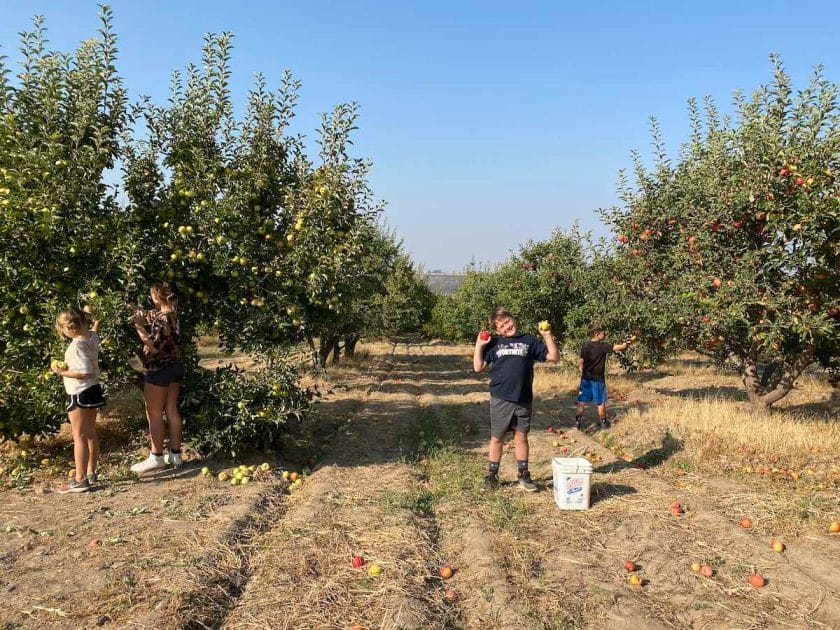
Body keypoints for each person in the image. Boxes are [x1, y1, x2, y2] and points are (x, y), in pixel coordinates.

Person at [474, 308, 558, 492]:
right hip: (501, 398)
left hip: (523, 398)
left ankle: (523, 474)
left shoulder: (528, 341)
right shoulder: (494, 343)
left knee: (521, 436)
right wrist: (479, 345)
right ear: (497, 330)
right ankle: (492, 475)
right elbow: (478, 367)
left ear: (513, 319)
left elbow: (553, 357)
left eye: (508, 321)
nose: (507, 326)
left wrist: (547, 335)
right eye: (502, 325)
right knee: (497, 438)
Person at [130, 281, 185, 474]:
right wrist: (137, 310)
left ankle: (156, 457)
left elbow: (153, 346)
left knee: (153, 413)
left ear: (159, 296)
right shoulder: (171, 314)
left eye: (153, 294)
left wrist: (138, 327)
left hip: (160, 368)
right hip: (175, 366)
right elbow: (151, 315)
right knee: (171, 410)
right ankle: (176, 455)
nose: (151, 297)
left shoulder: (164, 318)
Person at [52, 308, 103, 493]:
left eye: (63, 330)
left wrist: (61, 372)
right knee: (90, 432)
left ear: (70, 328)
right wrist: (95, 319)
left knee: (79, 435)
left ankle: (80, 479)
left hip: (79, 392)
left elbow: (84, 372)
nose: (64, 333)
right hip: (94, 389)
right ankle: (91, 472)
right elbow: (95, 330)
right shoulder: (91, 337)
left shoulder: (76, 346)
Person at [574, 325, 638, 429]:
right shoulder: (603, 346)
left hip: (586, 379)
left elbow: (581, 361)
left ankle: (577, 422)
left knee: (582, 401)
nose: (605, 334)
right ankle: (604, 423)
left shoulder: (585, 345)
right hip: (597, 379)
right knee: (600, 402)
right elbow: (622, 347)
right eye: (603, 332)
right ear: (597, 334)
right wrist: (633, 338)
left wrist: (583, 372)